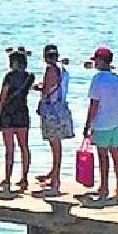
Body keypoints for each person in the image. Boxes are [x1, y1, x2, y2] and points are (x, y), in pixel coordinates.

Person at [82, 46, 118, 202]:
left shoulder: (98, 79)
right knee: (116, 153)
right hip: (116, 122)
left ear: (101, 61)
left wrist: (88, 124)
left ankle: (103, 187)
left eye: (96, 60)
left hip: (102, 123)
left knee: (103, 156)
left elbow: (94, 104)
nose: (95, 63)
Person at [33, 44, 72, 196]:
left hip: (52, 112)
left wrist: (35, 88)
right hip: (61, 109)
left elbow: (47, 89)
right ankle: (53, 175)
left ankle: (55, 181)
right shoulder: (63, 70)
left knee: (55, 145)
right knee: (56, 145)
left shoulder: (50, 70)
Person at [0, 49, 34, 192]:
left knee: (9, 150)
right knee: (24, 147)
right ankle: (24, 179)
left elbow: (3, 97)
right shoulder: (29, 77)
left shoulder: (9, 77)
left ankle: (7, 179)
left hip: (8, 115)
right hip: (22, 114)